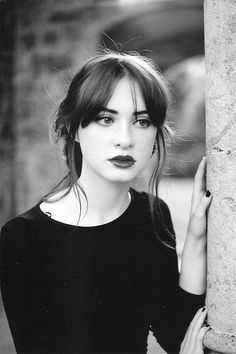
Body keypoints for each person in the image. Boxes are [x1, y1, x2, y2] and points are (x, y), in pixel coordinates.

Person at [0, 51, 212, 354]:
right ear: (74, 127)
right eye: (106, 118)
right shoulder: (23, 237)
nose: (125, 138)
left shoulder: (151, 216)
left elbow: (177, 336)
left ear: (155, 135)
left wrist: (195, 237)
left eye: (141, 121)